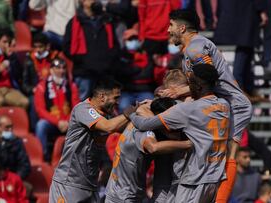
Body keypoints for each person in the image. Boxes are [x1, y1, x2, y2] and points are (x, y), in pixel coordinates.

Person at [163, 10, 252, 201]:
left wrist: (179, 92)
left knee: (227, 154)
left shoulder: (195, 49)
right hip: (221, 102)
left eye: (171, 25)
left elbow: (207, 78)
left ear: (182, 28)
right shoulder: (194, 47)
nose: (168, 30)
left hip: (234, 105)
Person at [129, 64, 231, 203]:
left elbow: (144, 124)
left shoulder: (186, 110)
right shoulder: (225, 105)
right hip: (215, 178)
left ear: (198, 86)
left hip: (194, 180)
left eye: (190, 85)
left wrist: (132, 114)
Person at [49, 79, 133, 202]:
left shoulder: (108, 115)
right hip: (69, 184)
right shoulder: (83, 109)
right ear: (102, 97)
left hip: (90, 184)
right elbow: (109, 126)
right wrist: (128, 114)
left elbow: (126, 128)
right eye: (116, 98)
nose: (118, 102)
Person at [105, 97, 192, 203]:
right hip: (125, 195)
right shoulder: (145, 131)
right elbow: (153, 147)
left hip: (118, 189)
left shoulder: (139, 118)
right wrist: (188, 144)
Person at [63, 0, 121, 101]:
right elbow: (66, 47)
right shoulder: (74, 22)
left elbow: (115, 44)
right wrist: (82, 60)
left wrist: (108, 60)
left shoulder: (106, 20)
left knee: (106, 104)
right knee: (82, 104)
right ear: (83, 2)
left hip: (104, 71)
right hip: (83, 72)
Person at [34, 58, 80, 161]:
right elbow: (40, 110)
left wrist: (68, 121)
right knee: (41, 125)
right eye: (58, 68)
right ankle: (43, 159)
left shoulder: (72, 86)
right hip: (52, 123)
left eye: (63, 68)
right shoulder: (41, 87)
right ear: (51, 70)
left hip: (69, 123)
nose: (61, 71)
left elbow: (76, 107)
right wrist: (58, 122)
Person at [23, 32, 60, 131]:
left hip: (52, 90)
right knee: (32, 101)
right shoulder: (29, 60)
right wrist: (33, 89)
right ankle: (35, 130)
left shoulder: (54, 58)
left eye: (41, 47)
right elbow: (25, 84)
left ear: (47, 46)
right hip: (36, 91)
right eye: (36, 47)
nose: (38, 50)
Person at [0, 28, 28, 111]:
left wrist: (11, 58)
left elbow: (19, 75)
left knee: (25, 102)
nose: (6, 45)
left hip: (8, 88)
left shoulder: (11, 55)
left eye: (8, 42)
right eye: (4, 42)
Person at [0, 116, 31, 180]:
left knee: (28, 188)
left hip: (13, 180)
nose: (10, 129)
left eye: (11, 126)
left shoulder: (17, 142)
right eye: (7, 127)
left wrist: (14, 179)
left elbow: (25, 166)